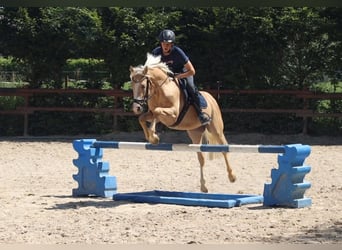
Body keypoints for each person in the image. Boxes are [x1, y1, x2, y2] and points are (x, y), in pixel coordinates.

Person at [151, 29, 212, 126]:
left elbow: (192, 71)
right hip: (167, 76)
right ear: (161, 43)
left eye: (168, 44)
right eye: (164, 43)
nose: (165, 46)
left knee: (191, 87)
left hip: (183, 73)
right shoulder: (156, 52)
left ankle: (200, 113)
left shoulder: (178, 52)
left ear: (172, 44)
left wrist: (178, 76)